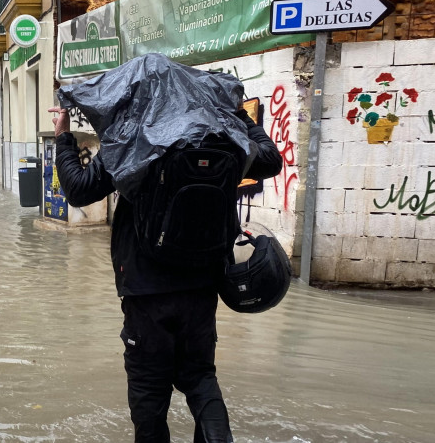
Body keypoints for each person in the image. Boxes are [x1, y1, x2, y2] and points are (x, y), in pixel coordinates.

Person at [49, 103, 282, 443]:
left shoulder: (132, 137)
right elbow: (271, 161)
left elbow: (79, 188)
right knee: (201, 377)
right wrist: (240, 117)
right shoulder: (219, 136)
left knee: (149, 393)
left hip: (146, 292)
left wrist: (63, 137)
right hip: (202, 286)